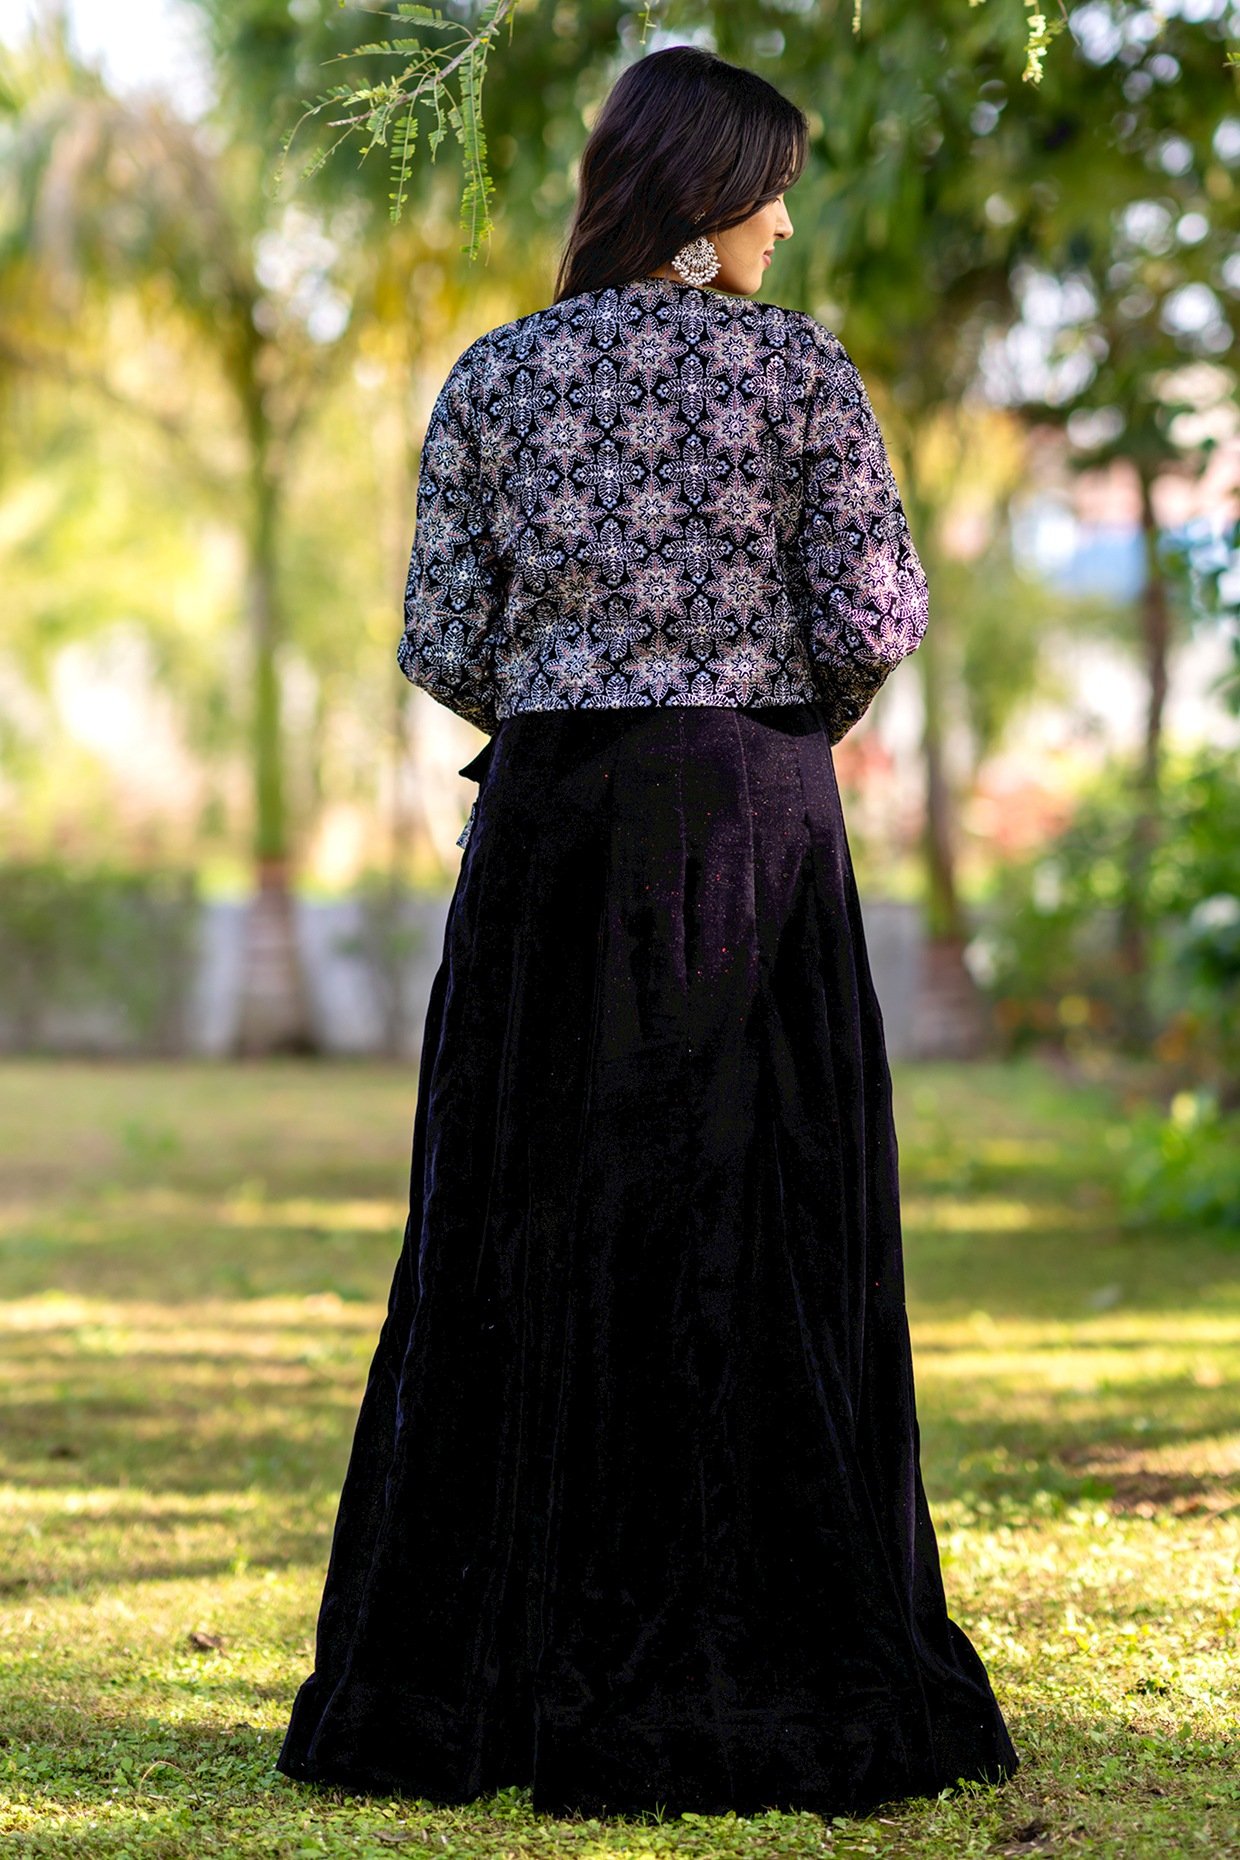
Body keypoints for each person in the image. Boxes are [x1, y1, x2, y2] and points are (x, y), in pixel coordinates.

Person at [275, 42, 1020, 1822]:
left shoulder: (499, 374)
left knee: (533, 1220)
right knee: (760, 1216)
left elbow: (444, 638)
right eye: (772, 190)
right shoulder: (799, 371)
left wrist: (576, 706)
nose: (784, 223)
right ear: (704, 199)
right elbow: (873, 611)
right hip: (752, 819)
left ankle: (488, 1674)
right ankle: (773, 1659)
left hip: (554, 835)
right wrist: (770, 718)